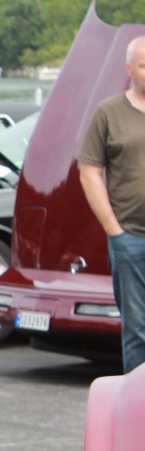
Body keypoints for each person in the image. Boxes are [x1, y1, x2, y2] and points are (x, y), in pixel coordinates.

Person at [78, 35, 145, 371]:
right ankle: (139, 409)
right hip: (130, 236)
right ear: (129, 68)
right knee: (137, 328)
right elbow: (89, 172)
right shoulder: (109, 112)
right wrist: (113, 229)